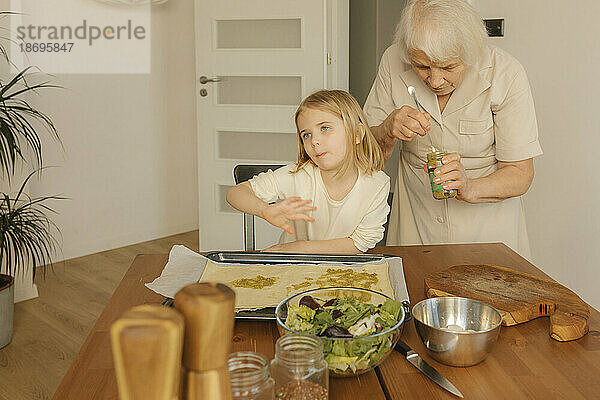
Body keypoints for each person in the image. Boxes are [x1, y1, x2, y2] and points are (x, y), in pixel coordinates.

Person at [364, 0, 542, 258]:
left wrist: (470, 187)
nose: (435, 81)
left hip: (488, 231)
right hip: (416, 223)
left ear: (471, 53)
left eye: (448, 67)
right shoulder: (393, 60)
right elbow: (364, 160)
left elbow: (520, 173)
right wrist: (387, 130)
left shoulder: (506, 73)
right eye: (422, 66)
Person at [227, 90, 390, 254]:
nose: (314, 141)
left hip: (342, 269)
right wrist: (264, 210)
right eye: (306, 135)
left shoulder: (377, 184)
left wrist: (301, 247)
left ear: (356, 134)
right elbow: (235, 193)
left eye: (325, 128)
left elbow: (360, 244)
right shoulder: (297, 176)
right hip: (294, 267)